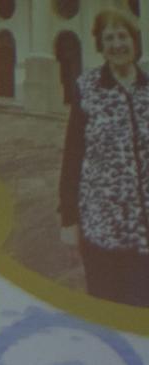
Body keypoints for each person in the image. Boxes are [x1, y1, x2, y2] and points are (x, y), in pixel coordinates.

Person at [59, 8, 149, 307]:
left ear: (135, 41)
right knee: (106, 309)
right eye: (108, 38)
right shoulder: (88, 88)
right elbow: (73, 156)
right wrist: (69, 220)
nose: (116, 44)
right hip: (101, 229)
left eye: (122, 36)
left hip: (144, 231)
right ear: (100, 46)